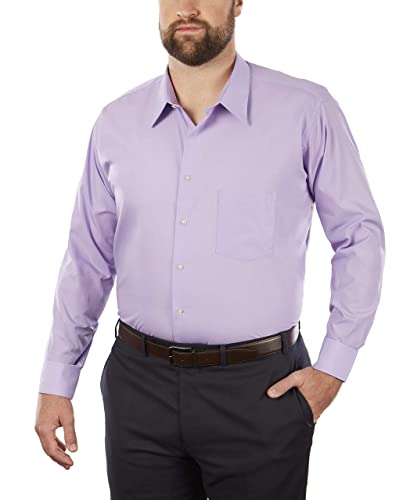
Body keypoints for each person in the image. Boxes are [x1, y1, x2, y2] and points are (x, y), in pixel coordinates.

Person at [34, 1, 386, 498]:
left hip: (260, 393)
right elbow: (87, 259)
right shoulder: (116, 123)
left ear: (238, 2)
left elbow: (359, 235)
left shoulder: (306, 111)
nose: (187, 7)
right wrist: (57, 379)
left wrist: (333, 367)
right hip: (138, 390)